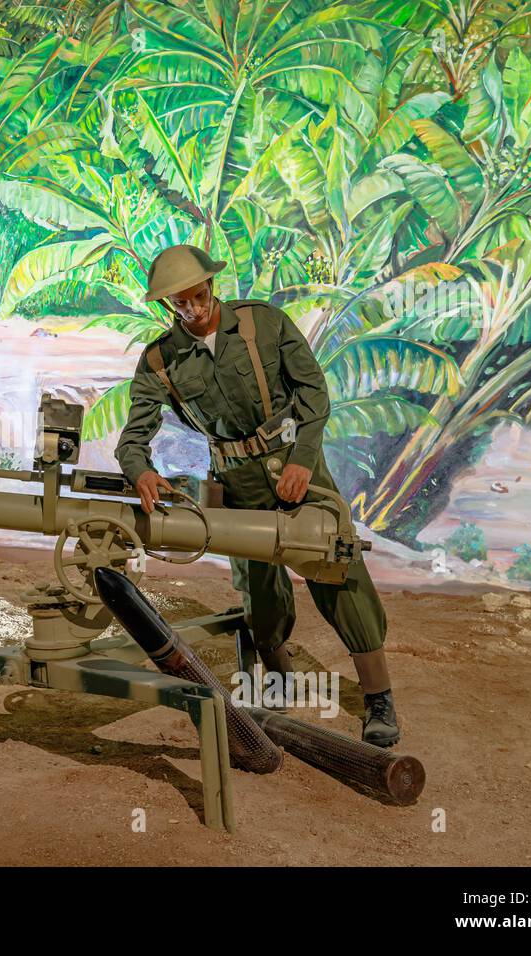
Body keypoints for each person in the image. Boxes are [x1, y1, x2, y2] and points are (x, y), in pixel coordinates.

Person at [114, 244, 400, 746]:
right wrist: (140, 470)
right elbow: (132, 438)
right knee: (259, 590)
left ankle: (378, 697)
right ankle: (278, 674)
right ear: (168, 306)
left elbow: (313, 394)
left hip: (296, 468)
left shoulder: (263, 324)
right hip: (236, 483)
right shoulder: (160, 359)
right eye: (180, 304)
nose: (194, 311)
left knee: (338, 568)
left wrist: (303, 459)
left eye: (199, 297)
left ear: (212, 286)